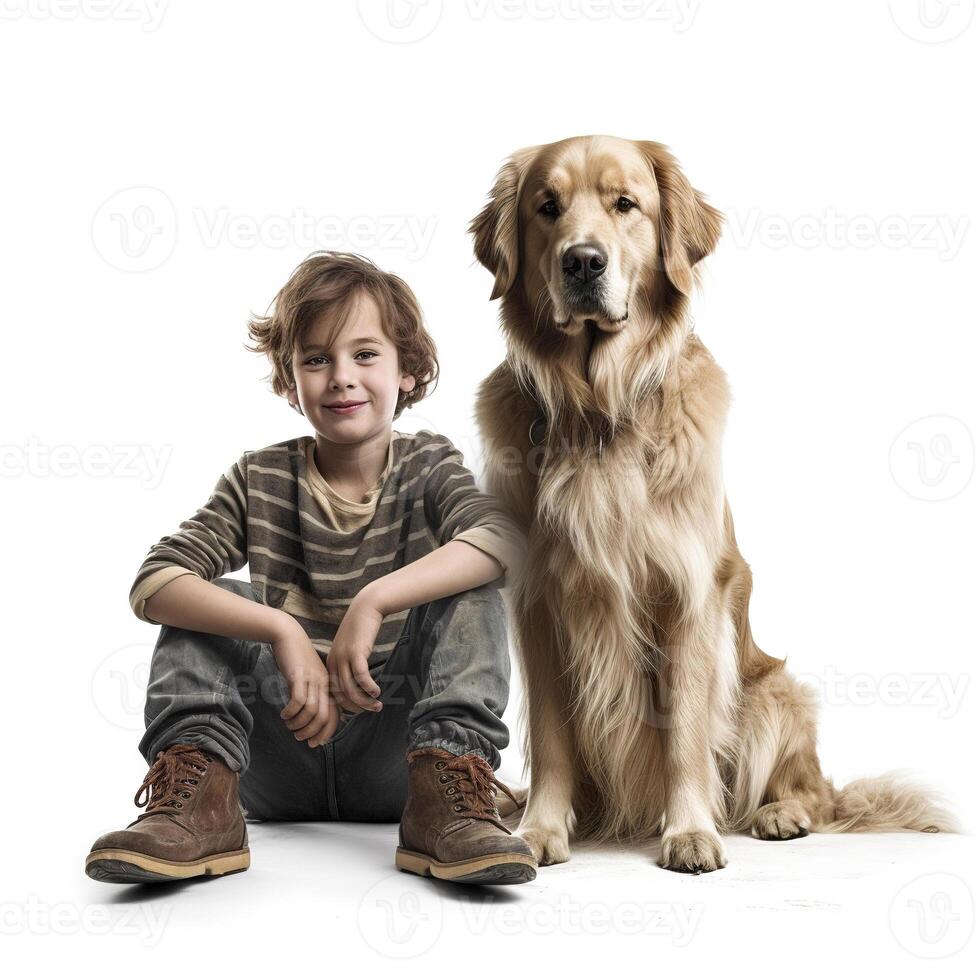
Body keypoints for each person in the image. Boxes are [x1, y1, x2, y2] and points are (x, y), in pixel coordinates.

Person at [84, 251, 536, 887]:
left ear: (407, 371)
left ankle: (450, 796)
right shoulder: (260, 477)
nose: (341, 377)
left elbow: (504, 539)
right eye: (317, 359)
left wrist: (374, 600)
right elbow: (157, 579)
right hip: (271, 761)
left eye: (365, 355)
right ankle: (195, 805)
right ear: (287, 381)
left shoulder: (428, 465)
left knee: (472, 589)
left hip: (399, 756)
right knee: (209, 597)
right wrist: (282, 631)